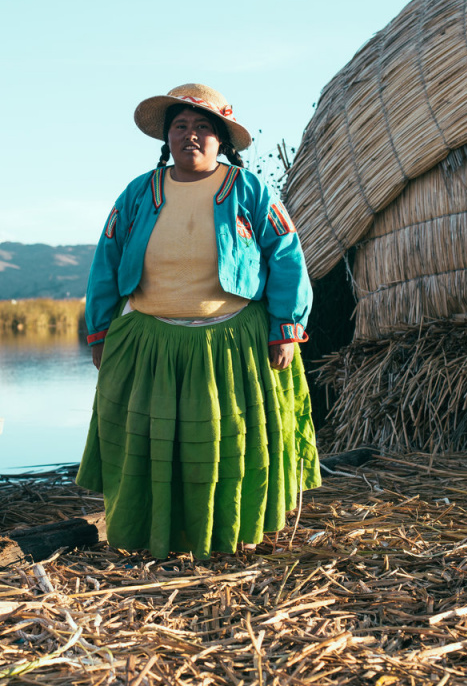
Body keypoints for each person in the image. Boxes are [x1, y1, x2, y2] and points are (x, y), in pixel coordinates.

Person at [76, 83, 321, 560]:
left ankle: (238, 530)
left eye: (203, 128)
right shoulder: (139, 193)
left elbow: (287, 256)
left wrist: (286, 327)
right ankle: (150, 533)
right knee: (148, 444)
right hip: (150, 339)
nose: (190, 136)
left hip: (234, 340)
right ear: (166, 138)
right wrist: (100, 330)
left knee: (232, 441)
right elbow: (106, 262)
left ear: (221, 140)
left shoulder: (247, 190)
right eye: (180, 127)